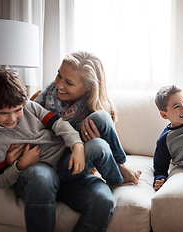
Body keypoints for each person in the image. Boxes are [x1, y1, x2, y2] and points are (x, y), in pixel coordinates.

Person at [9, 51, 141, 231]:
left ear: (87, 88)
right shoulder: (40, 99)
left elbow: (97, 155)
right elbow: (16, 133)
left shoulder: (96, 112)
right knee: (41, 177)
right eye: (59, 75)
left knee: (102, 199)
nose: (59, 84)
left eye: (69, 82)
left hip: (71, 170)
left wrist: (92, 146)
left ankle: (120, 166)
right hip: (43, 165)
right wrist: (13, 162)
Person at [0, 70, 86, 231]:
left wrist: (77, 144)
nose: (12, 118)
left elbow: (59, 124)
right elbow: (0, 181)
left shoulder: (30, 107)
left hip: (60, 167)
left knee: (101, 195)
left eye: (17, 110)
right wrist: (20, 165)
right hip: (32, 176)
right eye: (3, 113)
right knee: (40, 175)